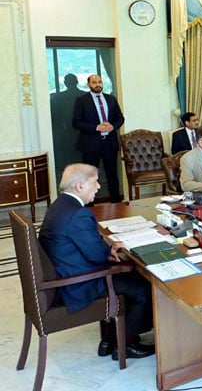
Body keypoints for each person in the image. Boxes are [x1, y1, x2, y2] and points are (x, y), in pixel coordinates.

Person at [38, 164, 154, 360]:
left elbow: (89, 249)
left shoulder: (60, 205)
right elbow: (96, 256)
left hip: (66, 273)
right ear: (80, 186)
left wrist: (107, 251)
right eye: (95, 182)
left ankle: (109, 341)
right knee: (141, 285)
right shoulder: (78, 214)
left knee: (126, 273)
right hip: (77, 284)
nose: (99, 186)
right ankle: (125, 346)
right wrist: (108, 251)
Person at [72, 74, 124, 202]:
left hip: (109, 143)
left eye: (100, 82)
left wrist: (113, 126)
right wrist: (96, 128)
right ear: (88, 84)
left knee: (112, 174)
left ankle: (116, 203)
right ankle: (89, 205)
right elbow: (76, 122)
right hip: (91, 144)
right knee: (89, 176)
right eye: (94, 82)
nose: (98, 84)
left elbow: (120, 119)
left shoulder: (111, 99)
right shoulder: (82, 100)